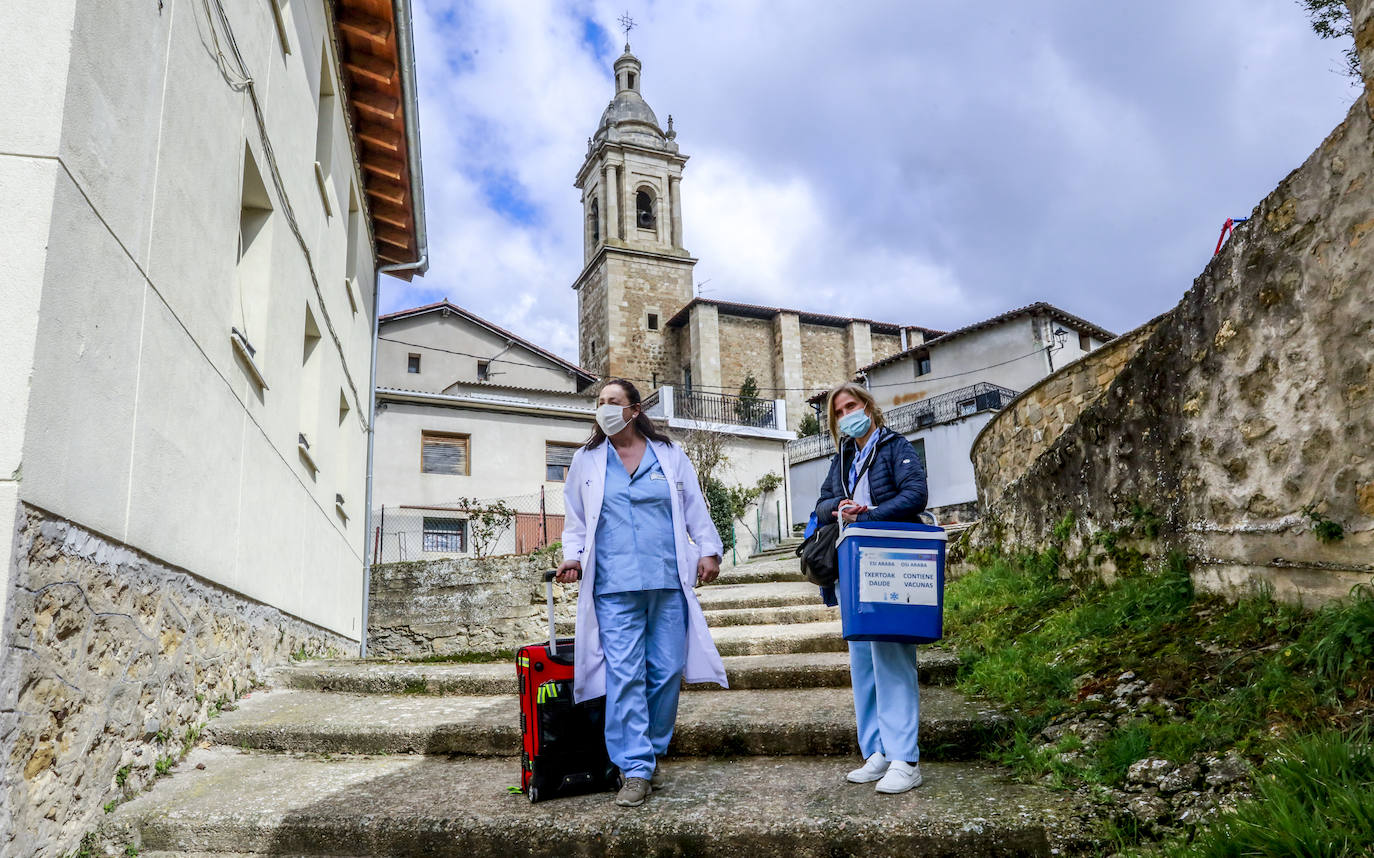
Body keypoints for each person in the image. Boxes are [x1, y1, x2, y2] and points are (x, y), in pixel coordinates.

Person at [555, 378, 728, 807]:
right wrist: (573, 557)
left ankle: (649, 752)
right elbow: (576, 519)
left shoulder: (668, 454)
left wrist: (708, 549)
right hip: (612, 586)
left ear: (634, 410)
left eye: (613, 402)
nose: (604, 408)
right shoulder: (587, 459)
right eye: (600, 403)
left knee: (667, 670)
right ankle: (634, 767)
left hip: (667, 579)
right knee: (625, 674)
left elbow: (693, 506)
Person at [814, 382, 929, 794]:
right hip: (852, 561)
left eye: (852, 405)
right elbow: (822, 504)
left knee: (892, 654)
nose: (847, 414)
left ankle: (905, 757)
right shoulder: (842, 456)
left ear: (868, 406)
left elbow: (916, 494)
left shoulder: (896, 447)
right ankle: (877, 750)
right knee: (862, 658)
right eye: (839, 411)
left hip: (891, 559)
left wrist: (873, 514)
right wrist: (840, 507)